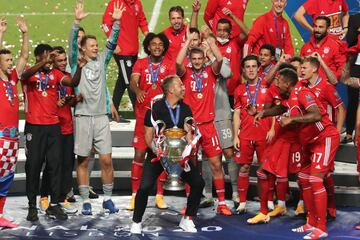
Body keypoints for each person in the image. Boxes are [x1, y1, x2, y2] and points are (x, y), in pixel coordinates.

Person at [256, 67, 340, 239]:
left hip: (324, 137)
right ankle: (311, 222)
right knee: (303, 179)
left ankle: (321, 227)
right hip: (309, 142)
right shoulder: (290, 96)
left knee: (316, 180)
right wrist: (263, 113)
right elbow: (281, 109)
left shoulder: (302, 92)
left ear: (287, 83)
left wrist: (292, 119)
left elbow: (316, 115)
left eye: (278, 81)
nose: (276, 84)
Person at [130, 75, 205, 234]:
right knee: (144, 188)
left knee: (198, 183)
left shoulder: (185, 109)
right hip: (158, 154)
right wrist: (156, 149)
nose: (183, 88)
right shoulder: (154, 108)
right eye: (180, 85)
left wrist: (188, 145)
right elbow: (148, 135)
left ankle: (187, 219)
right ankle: (136, 221)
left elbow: (189, 134)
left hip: (179, 156)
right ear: (171, 89)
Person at [72, 1, 125, 215]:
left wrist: (117, 22)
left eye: (96, 45)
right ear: (83, 48)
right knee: (83, 160)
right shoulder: (77, 62)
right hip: (83, 116)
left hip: (101, 117)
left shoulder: (102, 61)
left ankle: (108, 199)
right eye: (92, 45)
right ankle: (85, 201)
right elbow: (71, 44)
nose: (96, 47)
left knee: (106, 159)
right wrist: (76, 22)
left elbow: (112, 43)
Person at [21, 42, 83, 221]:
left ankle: (54, 205)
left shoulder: (55, 74)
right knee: (33, 167)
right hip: (34, 126)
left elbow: (72, 82)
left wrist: (79, 68)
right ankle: (32, 206)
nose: (50, 60)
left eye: (51, 57)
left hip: (53, 126)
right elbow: (24, 75)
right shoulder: (30, 72)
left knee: (54, 166)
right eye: (47, 56)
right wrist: (43, 62)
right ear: (39, 57)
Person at [176, 30, 232, 216]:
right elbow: (177, 62)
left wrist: (209, 42)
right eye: (195, 58)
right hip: (191, 127)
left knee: (216, 164)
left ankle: (222, 203)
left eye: (200, 58)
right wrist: (187, 42)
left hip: (208, 125)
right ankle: (191, 203)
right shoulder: (185, 72)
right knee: (191, 167)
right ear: (191, 59)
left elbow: (220, 58)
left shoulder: (210, 71)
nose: (198, 61)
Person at [128, 32, 174, 210]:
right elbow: (133, 81)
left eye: (160, 44)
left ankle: (159, 195)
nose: (157, 47)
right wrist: (138, 91)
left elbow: (172, 86)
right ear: (148, 46)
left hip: (162, 118)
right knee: (139, 155)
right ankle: (134, 195)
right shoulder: (140, 63)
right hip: (143, 116)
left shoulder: (169, 65)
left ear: (164, 47)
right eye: (154, 44)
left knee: (161, 155)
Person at [233, 55, 274, 214]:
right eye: (247, 67)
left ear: (259, 68)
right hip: (246, 135)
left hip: (264, 135)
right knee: (244, 167)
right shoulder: (239, 90)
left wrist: (272, 129)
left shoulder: (267, 87)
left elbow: (274, 112)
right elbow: (236, 114)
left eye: (253, 66)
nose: (250, 69)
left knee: (266, 169)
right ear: (243, 70)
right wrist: (236, 135)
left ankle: (269, 200)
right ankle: (242, 203)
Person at [0, 16, 28, 228]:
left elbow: (24, 56)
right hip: (0, 137)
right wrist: (0, 35)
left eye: (11, 61)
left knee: (7, 176)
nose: (11, 63)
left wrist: (24, 34)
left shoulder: (12, 79)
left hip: (12, 136)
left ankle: (0, 214)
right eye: (7, 61)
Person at [103, 0, 149, 121]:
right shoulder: (115, 3)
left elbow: (142, 20)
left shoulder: (137, 3)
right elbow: (106, 24)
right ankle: (139, 113)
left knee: (122, 80)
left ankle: (112, 112)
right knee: (130, 82)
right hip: (121, 51)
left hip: (133, 50)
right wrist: (113, 43)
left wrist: (147, 34)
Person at [300, 16, 346, 83]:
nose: (317, 30)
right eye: (315, 26)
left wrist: (333, 79)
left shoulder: (335, 46)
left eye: (321, 27)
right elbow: (300, 67)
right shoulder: (305, 47)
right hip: (307, 89)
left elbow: (342, 67)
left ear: (328, 29)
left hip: (326, 88)